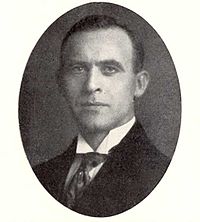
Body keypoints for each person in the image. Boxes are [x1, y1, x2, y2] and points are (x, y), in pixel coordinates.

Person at [33, 15, 170, 217]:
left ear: (139, 84)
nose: (91, 85)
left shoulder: (163, 176)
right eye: (78, 69)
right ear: (61, 82)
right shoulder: (40, 176)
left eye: (109, 69)